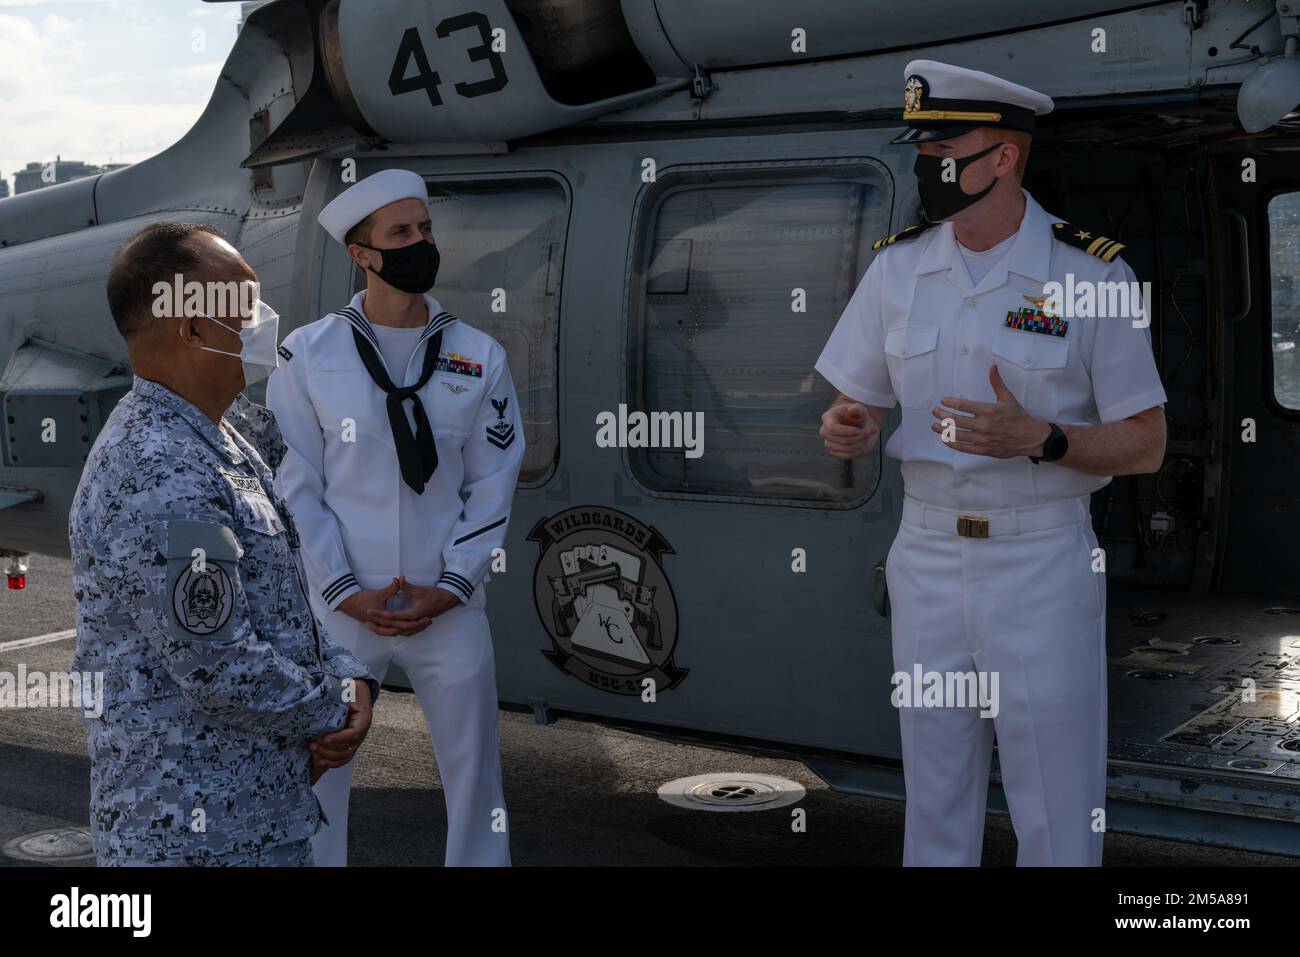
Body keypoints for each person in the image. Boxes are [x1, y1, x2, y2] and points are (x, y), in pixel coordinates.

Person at [815, 61, 1167, 866]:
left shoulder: (1089, 274)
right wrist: (850, 423)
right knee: (934, 791)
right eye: (921, 143)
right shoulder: (898, 268)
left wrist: (1043, 438)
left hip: (1039, 557)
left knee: (1055, 796)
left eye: (945, 142)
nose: (926, 158)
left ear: (1003, 158)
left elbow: (1145, 442)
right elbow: (858, 400)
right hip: (927, 554)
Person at [71, 222, 378, 866]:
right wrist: (336, 703)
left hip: (252, 821)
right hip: (194, 839)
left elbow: (279, 605)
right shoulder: (159, 469)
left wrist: (346, 677)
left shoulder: (222, 437)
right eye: (246, 303)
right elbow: (220, 667)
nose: (264, 322)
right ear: (193, 329)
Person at [266, 169, 524, 866]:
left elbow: (494, 481)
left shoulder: (478, 354)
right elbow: (296, 485)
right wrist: (343, 587)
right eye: (402, 233)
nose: (421, 243)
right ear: (362, 254)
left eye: (426, 229)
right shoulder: (307, 355)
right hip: (343, 606)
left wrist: (457, 581)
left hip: (448, 602)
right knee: (321, 769)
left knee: (476, 775)